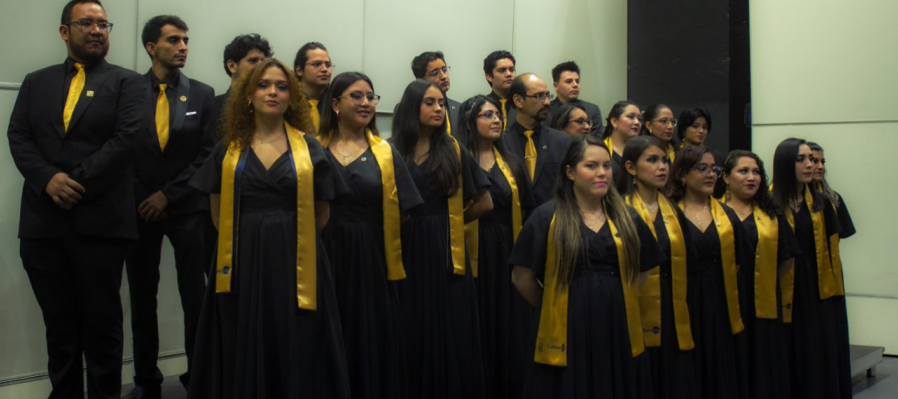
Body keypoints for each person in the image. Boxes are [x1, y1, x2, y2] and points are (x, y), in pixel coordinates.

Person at [6, 1, 146, 397]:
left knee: (102, 330)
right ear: (64, 32)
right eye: (86, 23)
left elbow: (126, 140)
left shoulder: (129, 83)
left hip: (101, 223)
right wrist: (48, 179)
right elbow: (19, 137)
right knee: (60, 328)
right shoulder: (37, 81)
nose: (97, 30)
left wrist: (74, 183)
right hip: (43, 225)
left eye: (103, 24)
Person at [188, 59, 351, 399]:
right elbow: (217, 214)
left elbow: (322, 214)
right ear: (247, 95)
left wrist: (286, 238)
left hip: (297, 260)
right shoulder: (227, 150)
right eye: (263, 85)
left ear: (291, 97)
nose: (272, 92)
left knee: (295, 335)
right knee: (240, 333)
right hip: (240, 261)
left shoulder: (311, 149)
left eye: (280, 86)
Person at [510, 135, 663, 399]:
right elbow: (521, 277)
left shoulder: (629, 217)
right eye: (591, 166)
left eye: (606, 166)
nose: (602, 173)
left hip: (617, 323)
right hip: (565, 326)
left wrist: (614, 296)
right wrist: (554, 304)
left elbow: (642, 271)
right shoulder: (546, 216)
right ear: (570, 172)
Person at [125, 15, 216, 399]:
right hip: (139, 207)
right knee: (142, 296)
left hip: (186, 208)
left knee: (195, 295)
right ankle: (147, 379)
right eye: (173, 40)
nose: (183, 47)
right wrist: (147, 195)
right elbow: (121, 148)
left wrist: (168, 194)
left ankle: (199, 373)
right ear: (151, 47)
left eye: (186, 40)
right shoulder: (128, 90)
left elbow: (208, 153)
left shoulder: (201, 93)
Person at [317, 71, 423, 399]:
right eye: (357, 96)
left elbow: (404, 210)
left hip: (372, 257)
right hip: (322, 253)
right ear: (335, 104)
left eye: (371, 97)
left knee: (370, 332)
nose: (366, 103)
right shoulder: (311, 148)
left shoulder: (385, 152)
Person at [392, 80, 493, 399]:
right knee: (409, 325)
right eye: (429, 103)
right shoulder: (391, 148)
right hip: (403, 245)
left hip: (445, 248)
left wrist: (448, 224)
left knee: (450, 327)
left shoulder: (452, 147)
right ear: (412, 108)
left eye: (441, 103)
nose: (438, 109)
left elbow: (485, 202)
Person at [456, 94, 535, 399]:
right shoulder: (459, 160)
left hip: (506, 249)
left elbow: (527, 207)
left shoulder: (512, 162)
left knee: (509, 324)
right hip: (469, 249)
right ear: (469, 122)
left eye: (497, 115)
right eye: (487, 115)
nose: (496, 120)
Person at [667, 145, 751, 399]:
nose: (710, 174)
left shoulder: (726, 214)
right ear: (682, 174)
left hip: (718, 301)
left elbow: (737, 262)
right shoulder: (668, 212)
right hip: (681, 300)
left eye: (713, 169)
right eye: (701, 168)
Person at [618, 136, 699, 399]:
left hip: (671, 310)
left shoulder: (674, 211)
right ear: (630, 168)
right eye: (652, 160)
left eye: (665, 160)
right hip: (630, 310)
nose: (662, 166)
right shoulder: (619, 211)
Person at [771, 138, 847, 399]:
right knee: (785, 350)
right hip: (780, 285)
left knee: (815, 351)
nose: (809, 164)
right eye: (800, 159)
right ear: (784, 163)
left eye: (812, 159)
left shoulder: (822, 202)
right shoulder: (768, 201)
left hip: (815, 287)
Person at [722, 150, 800, 399]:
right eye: (743, 171)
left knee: (763, 363)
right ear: (725, 177)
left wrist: (760, 279)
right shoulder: (714, 214)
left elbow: (786, 260)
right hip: (724, 300)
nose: (751, 177)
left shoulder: (773, 215)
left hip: (762, 300)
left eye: (756, 172)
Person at [808, 141, 854, 399]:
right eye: (813, 160)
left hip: (831, 275)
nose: (818, 166)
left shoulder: (832, 199)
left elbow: (842, 235)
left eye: (821, 161)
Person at [504, 73, 572, 205]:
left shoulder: (561, 141)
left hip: (552, 220)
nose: (547, 102)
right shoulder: (500, 142)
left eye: (547, 95)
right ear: (518, 100)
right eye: (539, 96)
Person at [212, 33, 273, 124]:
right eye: (253, 61)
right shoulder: (213, 107)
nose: (261, 66)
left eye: (263, 62)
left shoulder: (271, 105)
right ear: (232, 66)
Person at [543, 61, 603, 135]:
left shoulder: (592, 110)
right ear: (556, 86)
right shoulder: (546, 111)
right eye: (569, 81)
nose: (575, 85)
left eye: (577, 81)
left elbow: (596, 142)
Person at [677, 107, 725, 197]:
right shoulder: (674, 156)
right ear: (683, 129)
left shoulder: (714, 156)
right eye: (695, 126)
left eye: (705, 127)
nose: (701, 131)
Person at [412, 51, 460, 133]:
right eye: (435, 73)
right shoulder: (410, 108)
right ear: (420, 80)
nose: (444, 76)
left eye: (445, 70)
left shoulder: (460, 109)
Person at [294, 41, 333, 132]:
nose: (324, 69)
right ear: (299, 70)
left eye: (328, 65)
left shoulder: (336, 101)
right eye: (316, 64)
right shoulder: (289, 101)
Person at [602, 101, 642, 188]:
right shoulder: (601, 149)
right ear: (614, 122)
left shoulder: (642, 151)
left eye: (639, 119)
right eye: (630, 117)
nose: (637, 122)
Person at [483, 50, 517, 130]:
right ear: (489, 76)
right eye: (502, 70)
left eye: (512, 70)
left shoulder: (524, 103)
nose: (509, 74)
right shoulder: (482, 106)